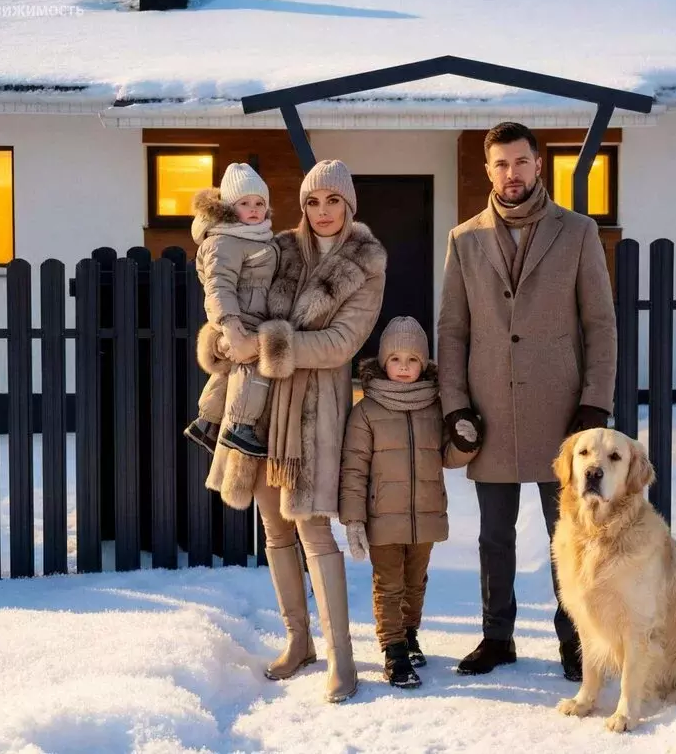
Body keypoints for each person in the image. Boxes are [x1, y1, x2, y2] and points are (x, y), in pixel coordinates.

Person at [198, 159, 387, 704]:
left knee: (313, 530)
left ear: (349, 205)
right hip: (257, 405)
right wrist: (222, 340)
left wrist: (266, 345)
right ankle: (298, 640)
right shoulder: (276, 247)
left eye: (332, 201)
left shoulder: (365, 263)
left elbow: (341, 342)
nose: (322, 211)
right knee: (274, 528)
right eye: (312, 201)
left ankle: (342, 658)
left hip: (313, 409)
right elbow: (232, 298)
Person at [437, 121, 618, 680]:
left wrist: (595, 403)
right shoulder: (463, 238)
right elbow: (451, 330)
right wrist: (455, 404)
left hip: (562, 416)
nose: (510, 174)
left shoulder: (578, 232)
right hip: (488, 412)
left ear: (538, 165)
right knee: (493, 536)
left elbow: (600, 324)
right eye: (500, 164)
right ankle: (497, 637)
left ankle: (576, 641)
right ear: (487, 169)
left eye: (520, 162)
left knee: (569, 534)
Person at [338, 316, 478, 689]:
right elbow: (353, 468)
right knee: (389, 584)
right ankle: (394, 650)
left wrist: (465, 443)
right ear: (384, 362)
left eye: (412, 360)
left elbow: (445, 456)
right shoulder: (366, 412)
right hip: (382, 517)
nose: (403, 367)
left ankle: (409, 633)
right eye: (396, 359)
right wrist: (353, 519)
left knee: (415, 582)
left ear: (424, 364)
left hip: (426, 514)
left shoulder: (434, 407)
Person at [185, 162, 277, 457]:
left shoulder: (255, 236)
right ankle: (241, 426)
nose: (253, 209)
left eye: (259, 203)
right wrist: (231, 326)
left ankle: (205, 422)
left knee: (229, 372)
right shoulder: (225, 240)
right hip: (241, 319)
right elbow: (219, 287)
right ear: (228, 208)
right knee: (253, 367)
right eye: (244, 203)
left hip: (252, 315)